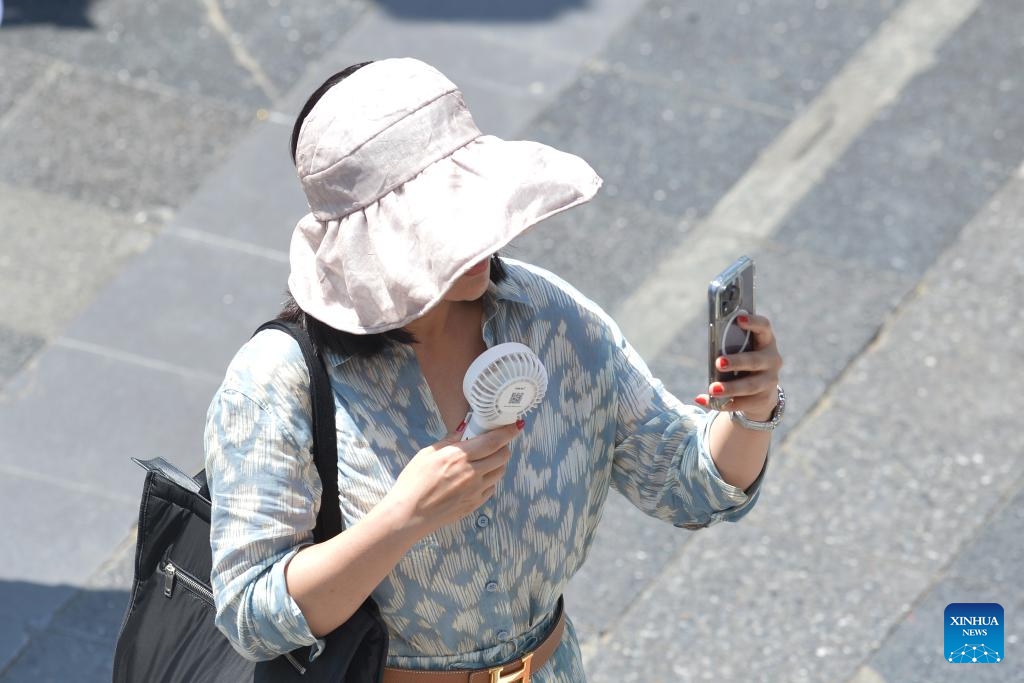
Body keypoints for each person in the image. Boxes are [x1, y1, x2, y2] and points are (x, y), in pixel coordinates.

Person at [204, 57, 784, 683]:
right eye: (446, 218)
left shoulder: (547, 316)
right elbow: (250, 615)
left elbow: (686, 482)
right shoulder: (277, 381)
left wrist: (750, 411)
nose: (480, 233)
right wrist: (403, 519)